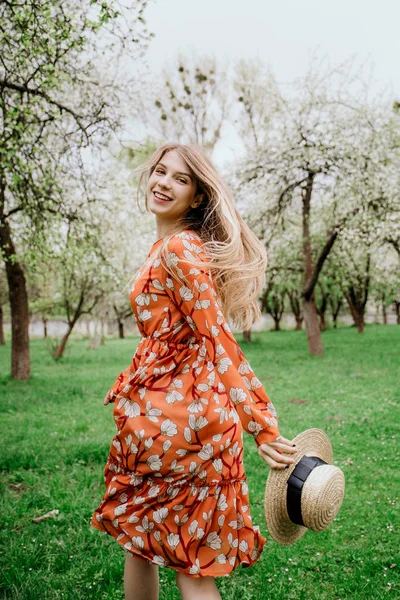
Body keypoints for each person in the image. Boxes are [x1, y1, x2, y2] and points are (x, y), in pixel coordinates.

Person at [91, 143, 298, 600]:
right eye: (160, 172)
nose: (163, 182)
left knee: (153, 548)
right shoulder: (169, 246)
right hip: (170, 421)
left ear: (199, 197)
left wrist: (260, 424)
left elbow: (216, 337)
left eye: (180, 178)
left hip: (181, 423)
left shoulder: (181, 247)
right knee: (160, 550)